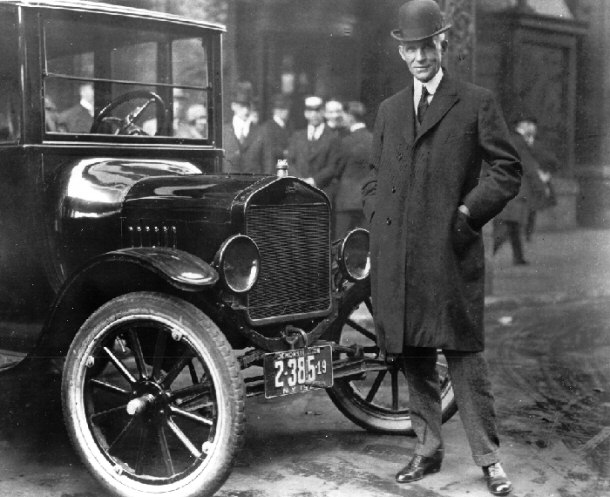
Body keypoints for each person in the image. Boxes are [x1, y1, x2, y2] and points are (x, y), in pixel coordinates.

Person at [361, 1, 522, 495]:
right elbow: (373, 179)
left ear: (442, 45)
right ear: (402, 53)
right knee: (412, 355)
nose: (419, 57)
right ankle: (427, 449)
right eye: (410, 49)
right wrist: (377, 218)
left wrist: (468, 213)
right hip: (400, 257)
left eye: (426, 46)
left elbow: (506, 170)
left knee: (463, 354)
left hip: (450, 252)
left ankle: (489, 460)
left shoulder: (475, 101)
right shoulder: (390, 110)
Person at [493, 115, 548, 264]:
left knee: (513, 225)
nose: (533, 128)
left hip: (508, 188)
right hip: (516, 191)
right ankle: (484, 256)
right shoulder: (519, 142)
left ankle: (518, 258)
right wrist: (540, 187)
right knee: (508, 225)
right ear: (522, 125)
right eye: (530, 124)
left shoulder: (513, 139)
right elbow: (528, 167)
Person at [287, 95, 341, 198]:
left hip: (322, 192)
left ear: (323, 113)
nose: (314, 115)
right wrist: (299, 180)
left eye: (318, 111)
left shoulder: (333, 137)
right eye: (310, 111)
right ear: (305, 113)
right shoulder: (297, 136)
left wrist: (313, 180)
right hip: (298, 191)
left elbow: (333, 166)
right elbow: (290, 161)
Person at [333, 101, 372, 238]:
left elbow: (336, 170)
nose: (340, 118)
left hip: (346, 202)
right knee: (362, 245)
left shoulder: (346, 141)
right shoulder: (373, 139)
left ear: (350, 116)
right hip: (367, 201)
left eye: (343, 114)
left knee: (340, 245)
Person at [222, 82, 261, 173]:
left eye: (248, 106)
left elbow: (267, 164)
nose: (246, 110)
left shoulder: (260, 132)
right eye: (242, 106)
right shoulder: (223, 131)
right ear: (233, 106)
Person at [252, 93, 291, 175]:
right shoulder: (268, 128)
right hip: (273, 170)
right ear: (277, 111)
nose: (287, 112)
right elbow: (268, 153)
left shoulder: (286, 126)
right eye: (284, 109)